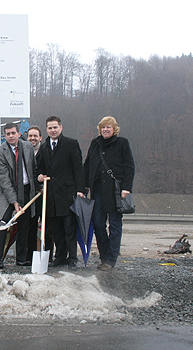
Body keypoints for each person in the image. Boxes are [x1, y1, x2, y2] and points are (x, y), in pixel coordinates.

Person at [84, 116, 135, 271]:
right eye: (103, 127)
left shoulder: (122, 143)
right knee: (98, 224)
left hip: (115, 190)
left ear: (114, 129)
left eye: (108, 127)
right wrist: (83, 187)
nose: (105, 130)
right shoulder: (95, 143)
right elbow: (87, 165)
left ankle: (111, 259)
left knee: (115, 225)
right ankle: (104, 255)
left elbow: (129, 166)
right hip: (97, 189)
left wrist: (127, 187)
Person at [37, 116, 85, 268]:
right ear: (47, 130)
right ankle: (60, 257)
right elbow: (41, 167)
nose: (53, 130)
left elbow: (78, 168)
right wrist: (40, 175)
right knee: (56, 229)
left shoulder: (71, 144)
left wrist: (80, 190)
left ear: (61, 128)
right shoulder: (44, 147)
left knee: (69, 228)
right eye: (50, 128)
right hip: (51, 195)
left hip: (68, 193)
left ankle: (72, 258)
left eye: (55, 127)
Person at [0, 122, 37, 268]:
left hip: (26, 189)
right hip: (6, 192)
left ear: (19, 134)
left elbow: (33, 168)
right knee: (3, 224)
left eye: (13, 133)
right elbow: (3, 179)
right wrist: (14, 201)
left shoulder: (28, 147)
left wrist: (38, 186)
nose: (11, 136)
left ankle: (21, 258)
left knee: (24, 225)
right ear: (5, 136)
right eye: (8, 134)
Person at [26, 125, 53, 262]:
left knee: (47, 227)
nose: (32, 138)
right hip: (31, 195)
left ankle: (47, 256)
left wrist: (42, 185)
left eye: (35, 136)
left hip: (45, 194)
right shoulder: (25, 151)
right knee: (30, 226)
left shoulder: (46, 150)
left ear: (40, 138)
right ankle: (30, 256)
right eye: (30, 136)